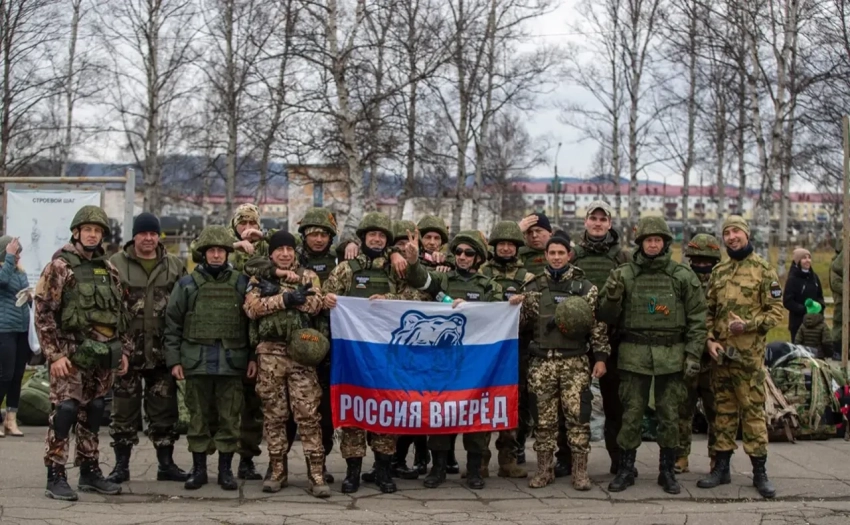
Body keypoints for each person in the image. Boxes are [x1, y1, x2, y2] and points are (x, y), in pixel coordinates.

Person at [598, 217, 707, 495]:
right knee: (631, 414)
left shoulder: (682, 276)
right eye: (649, 240)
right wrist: (612, 297)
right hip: (633, 356)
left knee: (669, 415)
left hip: (671, 356)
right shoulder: (623, 275)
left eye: (658, 240)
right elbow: (606, 317)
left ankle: (667, 471)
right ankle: (626, 469)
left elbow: (697, 319)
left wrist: (693, 355)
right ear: (640, 243)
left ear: (666, 243)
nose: (653, 244)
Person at [37, 205, 129, 501]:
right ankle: (55, 475)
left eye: (97, 230)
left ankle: (89, 471)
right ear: (76, 232)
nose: (92, 235)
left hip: (102, 356)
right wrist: (54, 355)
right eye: (87, 229)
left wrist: (123, 351)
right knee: (65, 412)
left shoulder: (108, 269)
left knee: (95, 410)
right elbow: (43, 313)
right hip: (70, 355)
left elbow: (120, 314)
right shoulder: (59, 267)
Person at [400, 229, 502, 490]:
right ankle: (438, 468)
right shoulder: (443, 279)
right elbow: (420, 280)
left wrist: (474, 307)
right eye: (458, 252)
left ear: (478, 258)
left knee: (476, 415)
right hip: (443, 363)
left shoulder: (489, 286)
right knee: (441, 413)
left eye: (468, 253)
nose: (462, 257)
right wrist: (413, 261)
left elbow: (498, 314)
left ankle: (475, 469)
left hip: (475, 363)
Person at [322, 211, 414, 494]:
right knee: (354, 412)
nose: (376, 239)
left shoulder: (396, 268)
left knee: (387, 411)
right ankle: (353, 473)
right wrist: (328, 299)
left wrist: (390, 299)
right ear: (363, 238)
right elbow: (323, 296)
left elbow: (415, 297)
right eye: (372, 234)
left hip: (388, 356)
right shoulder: (346, 269)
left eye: (382, 235)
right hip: (353, 356)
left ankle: (383, 471)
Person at [509, 231, 609, 490]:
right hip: (541, 363)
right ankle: (544, 471)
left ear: (569, 255)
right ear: (545, 255)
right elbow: (519, 326)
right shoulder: (532, 288)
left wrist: (600, 358)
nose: (556, 257)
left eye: (560, 253)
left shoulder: (585, 289)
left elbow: (597, 327)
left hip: (574, 362)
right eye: (552, 253)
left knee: (578, 420)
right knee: (543, 423)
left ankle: (580, 472)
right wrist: (513, 306)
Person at [164, 225, 256, 491]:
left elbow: (252, 325)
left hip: (232, 363)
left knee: (230, 418)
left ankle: (225, 471)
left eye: (221, 251)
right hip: (197, 363)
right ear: (203, 253)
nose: (216, 255)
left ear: (228, 253)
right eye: (212, 250)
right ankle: (199, 469)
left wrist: (252, 357)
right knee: (198, 419)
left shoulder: (241, 283)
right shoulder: (187, 285)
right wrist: (174, 360)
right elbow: (172, 324)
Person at [698, 215, 783, 499]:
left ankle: (760, 472)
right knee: (722, 414)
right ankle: (721, 468)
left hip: (748, 360)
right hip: (721, 359)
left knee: (753, 414)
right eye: (727, 233)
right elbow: (708, 312)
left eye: (736, 231)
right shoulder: (719, 271)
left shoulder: (763, 270)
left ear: (746, 234)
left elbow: (776, 312)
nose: (732, 237)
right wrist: (710, 340)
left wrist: (747, 325)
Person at [243, 230, 330, 497]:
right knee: (274, 416)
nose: (284, 253)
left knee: (308, 415)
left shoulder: (308, 276)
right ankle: (277, 470)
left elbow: (315, 304)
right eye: (279, 249)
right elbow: (252, 308)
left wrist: (279, 296)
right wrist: (287, 298)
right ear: (271, 254)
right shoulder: (259, 278)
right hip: (270, 355)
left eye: (289, 249)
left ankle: (316, 473)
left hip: (302, 354)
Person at [106, 213, 189, 484]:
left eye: (153, 233)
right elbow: (108, 309)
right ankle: (121, 466)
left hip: (162, 352)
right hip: (127, 354)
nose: (149, 238)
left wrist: (178, 353)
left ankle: (166, 464)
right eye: (143, 233)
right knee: (123, 410)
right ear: (134, 236)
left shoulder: (174, 266)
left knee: (164, 410)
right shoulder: (116, 264)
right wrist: (116, 349)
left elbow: (184, 309)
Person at [568, 200, 631, 476]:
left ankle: (618, 459)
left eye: (602, 219)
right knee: (571, 402)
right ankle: (567, 459)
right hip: (577, 339)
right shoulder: (574, 254)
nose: (597, 223)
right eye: (593, 218)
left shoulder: (622, 256)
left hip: (613, 338)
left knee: (614, 403)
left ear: (609, 224)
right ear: (586, 222)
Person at [478, 220, 535, 479]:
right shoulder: (482, 273)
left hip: (515, 349)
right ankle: (479, 459)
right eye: (501, 244)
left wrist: (522, 307)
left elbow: (535, 314)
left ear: (517, 247)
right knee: (482, 401)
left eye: (510, 244)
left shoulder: (527, 278)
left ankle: (508, 459)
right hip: (485, 349)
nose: (505, 248)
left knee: (511, 403)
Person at [676, 233, 721, 474]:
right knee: (683, 410)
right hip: (688, 355)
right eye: (697, 261)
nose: (702, 266)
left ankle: (716, 458)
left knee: (717, 411)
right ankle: (681, 456)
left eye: (707, 262)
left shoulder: (722, 282)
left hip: (715, 358)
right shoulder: (681, 280)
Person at [0, 236, 31, 438]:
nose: (18, 256)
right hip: (4, 328)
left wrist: (29, 296)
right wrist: (9, 258)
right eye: (14, 252)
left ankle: (11, 419)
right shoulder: (5, 270)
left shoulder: (20, 271)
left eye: (19, 252)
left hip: (22, 328)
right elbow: (2, 282)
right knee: (6, 374)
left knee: (18, 374)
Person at [783, 247, 825, 342]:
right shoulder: (792, 279)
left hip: (815, 324)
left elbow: (820, 296)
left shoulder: (814, 278)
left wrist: (819, 308)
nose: (807, 260)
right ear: (798, 261)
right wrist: (805, 309)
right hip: (798, 325)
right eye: (804, 258)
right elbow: (788, 301)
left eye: (809, 257)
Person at [828, 241, 842, 360]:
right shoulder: (836, 264)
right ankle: (837, 351)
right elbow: (835, 283)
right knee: (839, 325)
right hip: (841, 301)